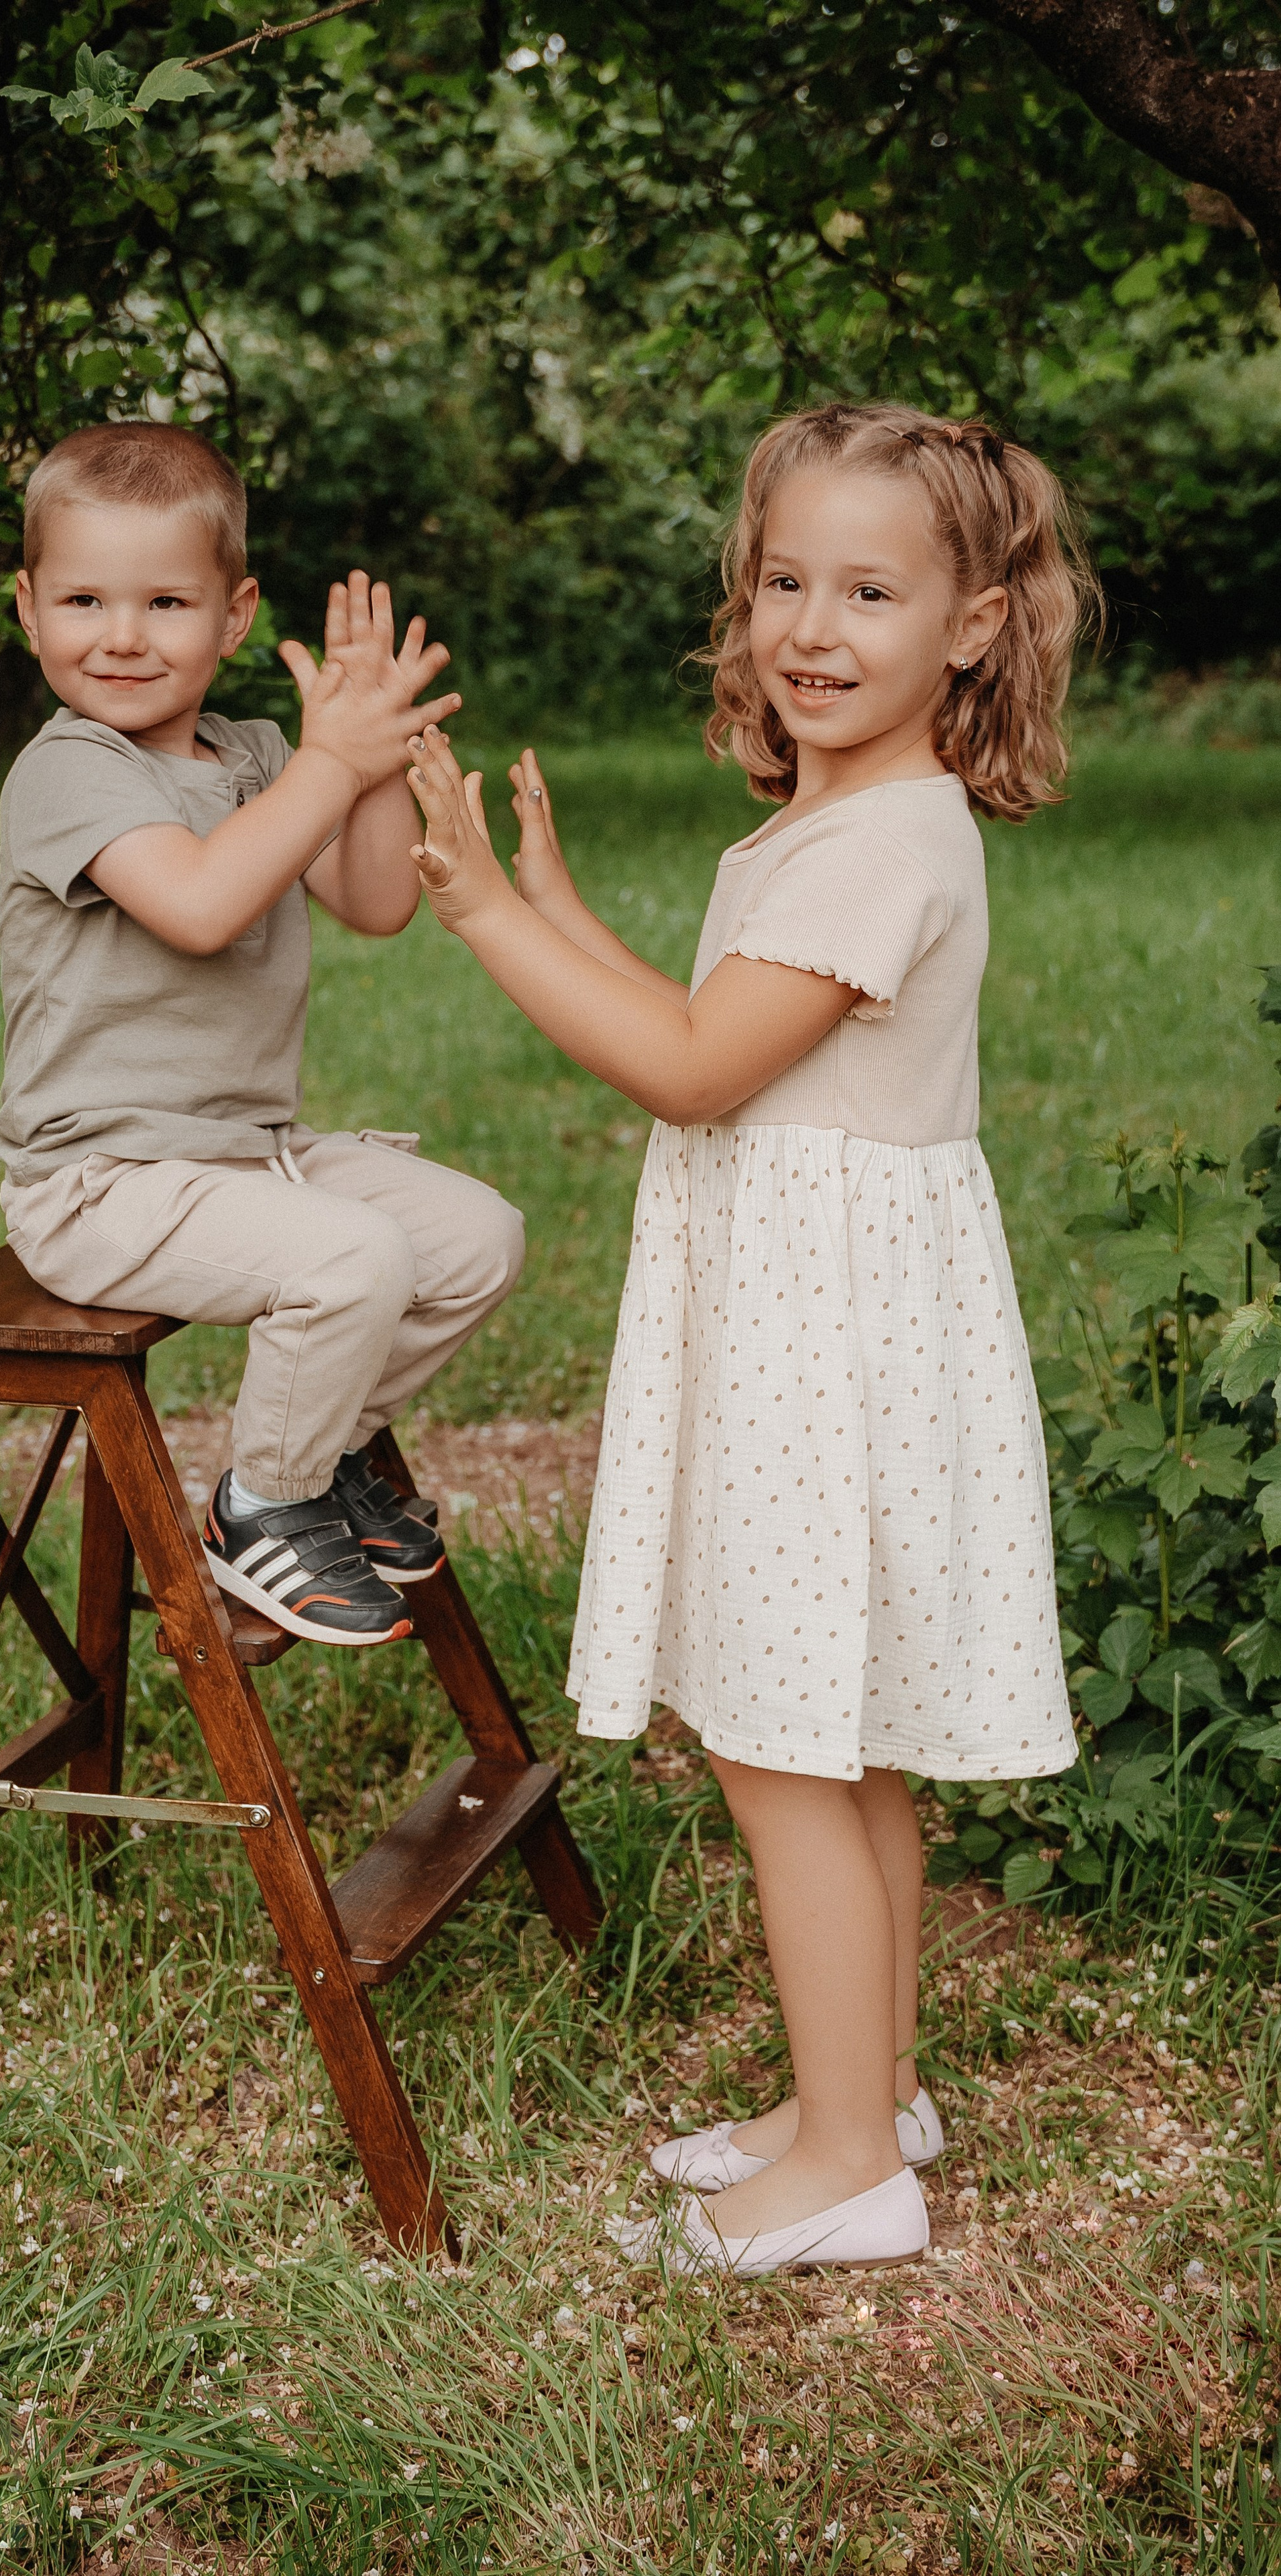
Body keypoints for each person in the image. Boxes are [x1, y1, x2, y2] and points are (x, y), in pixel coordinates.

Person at [403, 400, 1093, 2276]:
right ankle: (865, 2095)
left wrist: (470, 907)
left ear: (972, 623)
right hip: (825, 1322)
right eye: (786, 577)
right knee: (840, 1741)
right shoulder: (840, 816)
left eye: (872, 589)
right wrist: (554, 904)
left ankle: (855, 2169)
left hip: (829, 1342)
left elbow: (688, 1070)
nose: (813, 623)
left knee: (790, 1746)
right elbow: (721, 1033)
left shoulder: (886, 841)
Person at [0, 421, 526, 1646]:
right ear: (28, 611)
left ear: (233, 618)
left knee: (471, 1238)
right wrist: (329, 770)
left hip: (243, 1155)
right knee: (349, 1261)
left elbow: (380, 902)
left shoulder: (257, 755)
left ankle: (324, 1460)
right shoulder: (67, 770)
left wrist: (371, 757)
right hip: (100, 1184)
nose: (122, 636)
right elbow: (199, 905)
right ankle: (264, 1509)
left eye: (165, 602)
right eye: (84, 599)